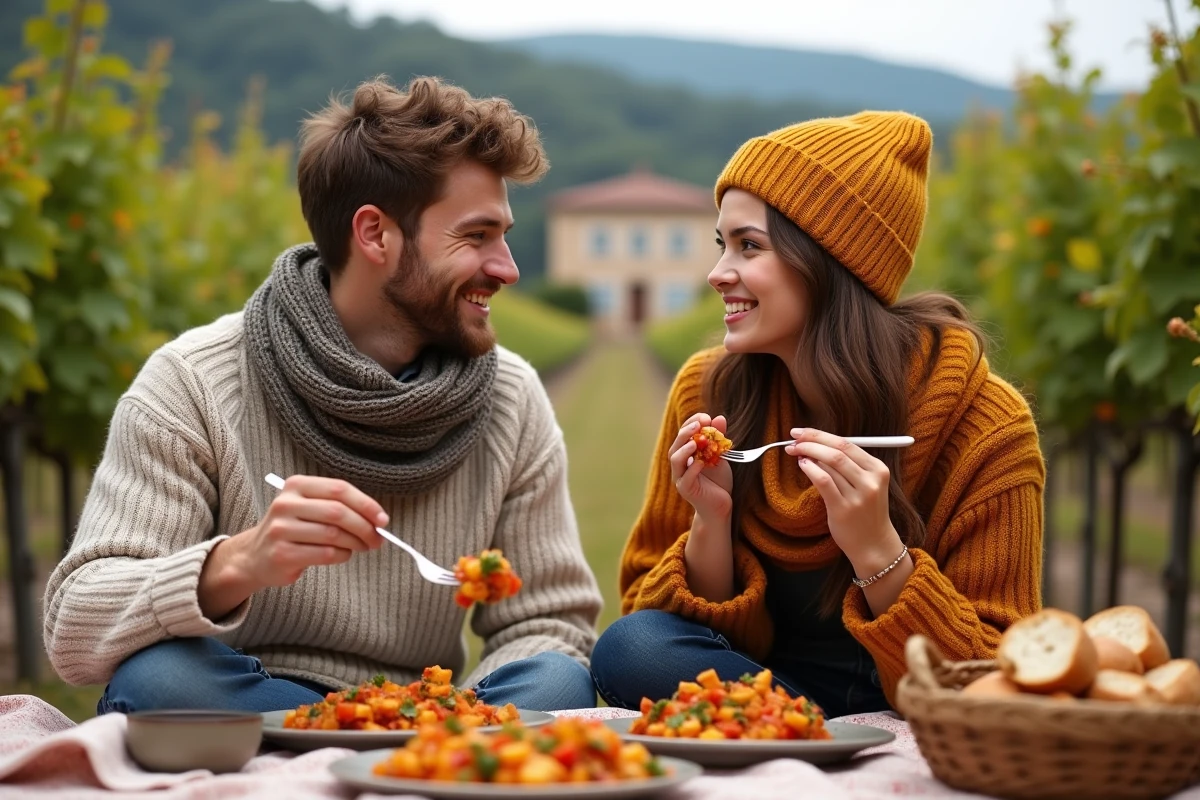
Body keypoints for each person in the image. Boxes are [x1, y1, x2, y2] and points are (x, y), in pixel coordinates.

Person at [43, 76, 602, 714]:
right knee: (161, 683)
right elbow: (76, 631)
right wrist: (238, 562)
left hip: (428, 708)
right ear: (375, 234)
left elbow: (549, 623)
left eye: (501, 236)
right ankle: (370, 741)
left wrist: (457, 710)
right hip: (257, 687)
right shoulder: (193, 382)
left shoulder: (511, 397)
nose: (507, 267)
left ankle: (393, 743)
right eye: (476, 237)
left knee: (557, 679)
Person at [590, 112, 1044, 717]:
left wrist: (878, 549)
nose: (718, 273)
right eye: (722, 244)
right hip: (760, 685)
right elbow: (650, 619)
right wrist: (711, 521)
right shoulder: (707, 391)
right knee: (633, 649)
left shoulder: (985, 423)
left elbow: (999, 666)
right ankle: (817, 731)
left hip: (906, 696)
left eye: (749, 246)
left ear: (830, 260)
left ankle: (814, 735)